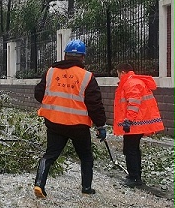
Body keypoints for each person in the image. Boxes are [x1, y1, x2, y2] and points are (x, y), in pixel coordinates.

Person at [34, 39, 107, 198]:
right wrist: (101, 126)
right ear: (82, 57)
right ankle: (86, 188)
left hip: (54, 123)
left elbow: (38, 94)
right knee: (86, 156)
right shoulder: (87, 77)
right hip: (78, 126)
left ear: (65, 55)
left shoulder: (51, 72)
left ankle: (39, 184)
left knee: (50, 155)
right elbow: (95, 104)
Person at [114, 63, 164, 187]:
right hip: (138, 123)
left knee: (130, 150)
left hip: (134, 125)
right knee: (134, 149)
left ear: (123, 72)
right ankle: (135, 174)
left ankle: (134, 177)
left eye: (118, 74)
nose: (118, 76)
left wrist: (128, 120)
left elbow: (133, 103)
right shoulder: (135, 82)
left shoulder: (130, 83)